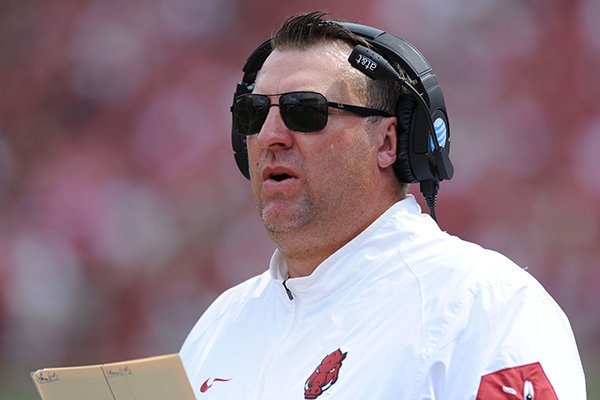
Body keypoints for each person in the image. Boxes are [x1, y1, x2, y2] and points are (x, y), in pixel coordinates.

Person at [180, 11, 586, 399]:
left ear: (389, 143)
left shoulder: (482, 304)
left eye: (303, 111)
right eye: (252, 113)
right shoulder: (219, 325)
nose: (270, 135)